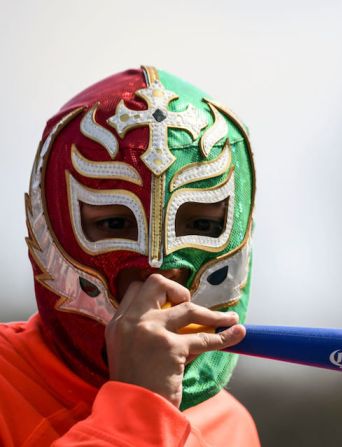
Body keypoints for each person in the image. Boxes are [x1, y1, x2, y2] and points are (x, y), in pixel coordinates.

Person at [0, 66, 260, 445]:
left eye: (202, 227)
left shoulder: (230, 428)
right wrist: (141, 406)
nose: (159, 270)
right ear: (49, 222)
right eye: (114, 223)